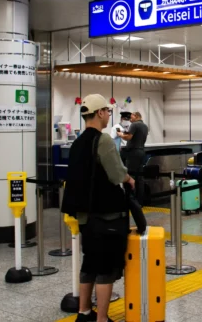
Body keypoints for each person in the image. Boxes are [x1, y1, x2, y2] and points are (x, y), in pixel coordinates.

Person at [61, 94, 135, 322]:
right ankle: (102, 318)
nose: (109, 115)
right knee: (106, 267)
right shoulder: (102, 140)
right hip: (107, 215)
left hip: (85, 215)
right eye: (107, 111)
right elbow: (116, 174)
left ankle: (83, 312)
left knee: (90, 262)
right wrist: (129, 179)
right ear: (100, 112)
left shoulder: (78, 142)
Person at [118, 111, 148, 203]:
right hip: (141, 151)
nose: (130, 119)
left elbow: (128, 137)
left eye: (131, 117)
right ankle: (140, 200)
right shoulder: (145, 126)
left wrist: (120, 135)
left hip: (133, 153)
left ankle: (130, 200)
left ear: (137, 116)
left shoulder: (134, 125)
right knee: (140, 177)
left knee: (130, 176)